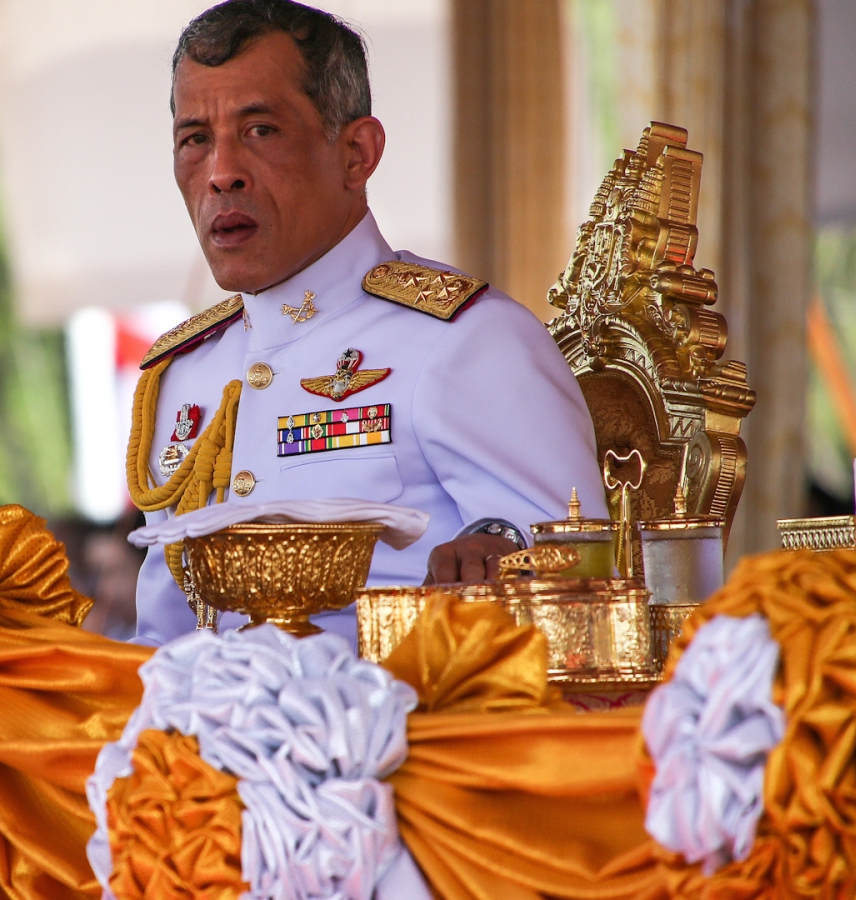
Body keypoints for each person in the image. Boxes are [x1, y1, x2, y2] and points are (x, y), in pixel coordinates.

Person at [126, 0, 606, 646]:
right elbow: (158, 638)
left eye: (260, 130)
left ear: (357, 153)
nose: (221, 174)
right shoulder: (183, 374)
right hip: (189, 735)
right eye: (195, 139)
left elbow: (583, 582)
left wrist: (501, 553)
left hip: (400, 735)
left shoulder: (465, 339)